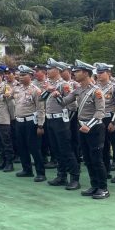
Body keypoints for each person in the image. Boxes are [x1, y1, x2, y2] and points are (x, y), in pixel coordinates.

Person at [58, 60, 107, 199]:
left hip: (94, 128)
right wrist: (56, 95)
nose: (74, 74)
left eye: (77, 71)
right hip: (82, 127)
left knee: (97, 159)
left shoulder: (96, 91)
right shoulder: (78, 89)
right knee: (87, 158)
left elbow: (100, 112)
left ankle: (103, 188)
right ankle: (94, 185)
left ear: (86, 73)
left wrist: (88, 125)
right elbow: (64, 102)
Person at [43, 59, 81, 190]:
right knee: (56, 150)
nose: (47, 71)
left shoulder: (64, 85)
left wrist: (67, 122)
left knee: (66, 150)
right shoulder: (49, 84)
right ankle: (61, 175)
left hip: (61, 120)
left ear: (57, 70)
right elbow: (41, 98)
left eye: (50, 69)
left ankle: (75, 178)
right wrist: (48, 90)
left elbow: (73, 106)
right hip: (50, 119)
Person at [12, 65, 46, 182]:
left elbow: (40, 109)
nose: (20, 77)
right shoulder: (17, 89)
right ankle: (27, 170)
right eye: (20, 75)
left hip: (31, 122)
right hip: (19, 121)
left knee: (35, 148)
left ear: (30, 76)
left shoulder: (36, 90)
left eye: (23, 75)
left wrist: (40, 125)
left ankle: (41, 173)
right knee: (21, 147)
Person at [95, 63, 115, 183]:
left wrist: (114, 122)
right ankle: (106, 170)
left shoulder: (114, 87)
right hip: (100, 119)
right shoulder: (95, 87)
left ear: (109, 74)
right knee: (103, 147)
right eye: (98, 73)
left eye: (102, 73)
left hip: (112, 118)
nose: (99, 75)